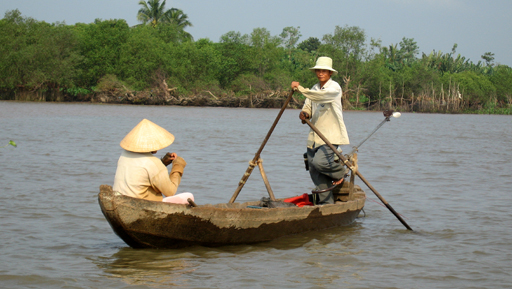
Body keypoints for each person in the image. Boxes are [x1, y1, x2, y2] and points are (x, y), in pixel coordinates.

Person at [291, 56, 349, 205]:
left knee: (319, 162)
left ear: (330, 73)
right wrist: (305, 114)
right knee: (313, 169)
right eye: (318, 71)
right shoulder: (314, 88)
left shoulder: (334, 88)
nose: (320, 73)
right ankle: (327, 204)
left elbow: (320, 97)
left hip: (330, 135)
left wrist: (300, 89)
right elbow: (308, 105)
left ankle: (341, 172)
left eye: (324, 71)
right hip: (314, 135)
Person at [113, 118, 190, 202]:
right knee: (188, 196)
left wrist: (163, 163)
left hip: (121, 199)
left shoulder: (124, 155)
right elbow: (170, 192)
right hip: (140, 203)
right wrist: (178, 165)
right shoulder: (154, 163)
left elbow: (143, 172)